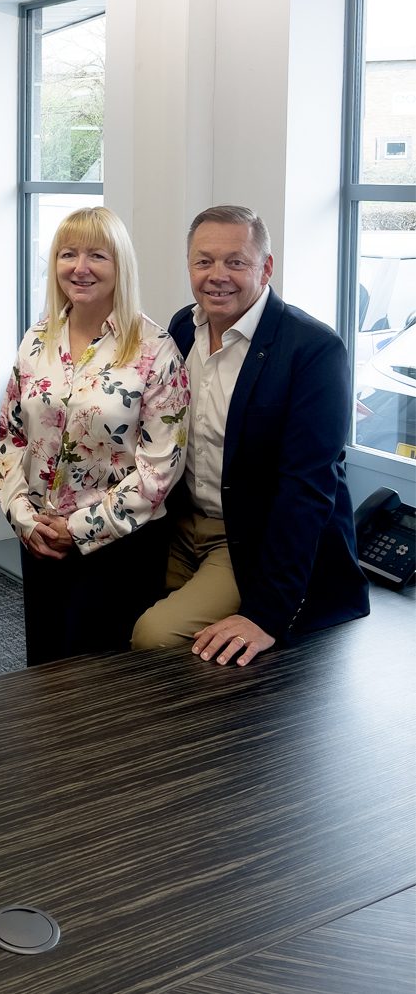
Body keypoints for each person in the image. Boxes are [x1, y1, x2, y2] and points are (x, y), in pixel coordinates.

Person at [131, 205, 370, 665]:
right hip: (180, 521)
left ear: (266, 267)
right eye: (204, 261)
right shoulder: (183, 327)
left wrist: (265, 615)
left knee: (153, 637)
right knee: (102, 602)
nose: (217, 276)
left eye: (236, 262)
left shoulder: (313, 350)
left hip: (249, 537)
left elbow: (307, 490)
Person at [0, 207, 190, 663]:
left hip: (118, 547)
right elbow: (11, 436)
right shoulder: (38, 338)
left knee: (100, 687)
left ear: (120, 265)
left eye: (96, 256)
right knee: (44, 668)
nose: (80, 268)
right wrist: (24, 517)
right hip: (40, 540)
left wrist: (78, 529)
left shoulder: (156, 350)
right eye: (68, 254)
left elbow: (160, 468)